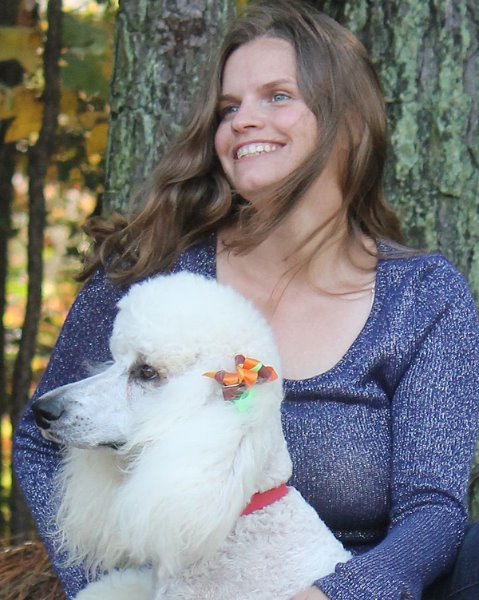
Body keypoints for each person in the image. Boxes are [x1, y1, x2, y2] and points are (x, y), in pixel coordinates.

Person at [13, 1, 479, 598]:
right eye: (229, 108)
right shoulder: (156, 273)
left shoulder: (422, 297)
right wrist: (114, 588)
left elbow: (432, 511)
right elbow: (41, 440)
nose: (242, 122)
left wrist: (335, 595)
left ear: (350, 124)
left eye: (277, 96)